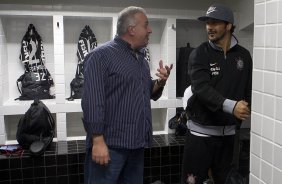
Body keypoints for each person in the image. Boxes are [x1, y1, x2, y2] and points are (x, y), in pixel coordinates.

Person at [81, 6, 173, 184]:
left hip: (136, 144)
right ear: (131, 29)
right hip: (110, 146)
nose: (150, 30)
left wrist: (160, 82)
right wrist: (98, 141)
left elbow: (147, 92)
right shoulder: (100, 56)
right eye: (146, 25)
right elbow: (92, 101)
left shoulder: (141, 60)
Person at [181, 4, 252, 184]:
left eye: (215, 22)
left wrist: (245, 109)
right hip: (200, 135)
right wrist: (232, 106)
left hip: (229, 136)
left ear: (229, 25)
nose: (209, 27)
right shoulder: (200, 54)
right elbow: (201, 88)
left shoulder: (244, 56)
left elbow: (248, 90)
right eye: (207, 22)